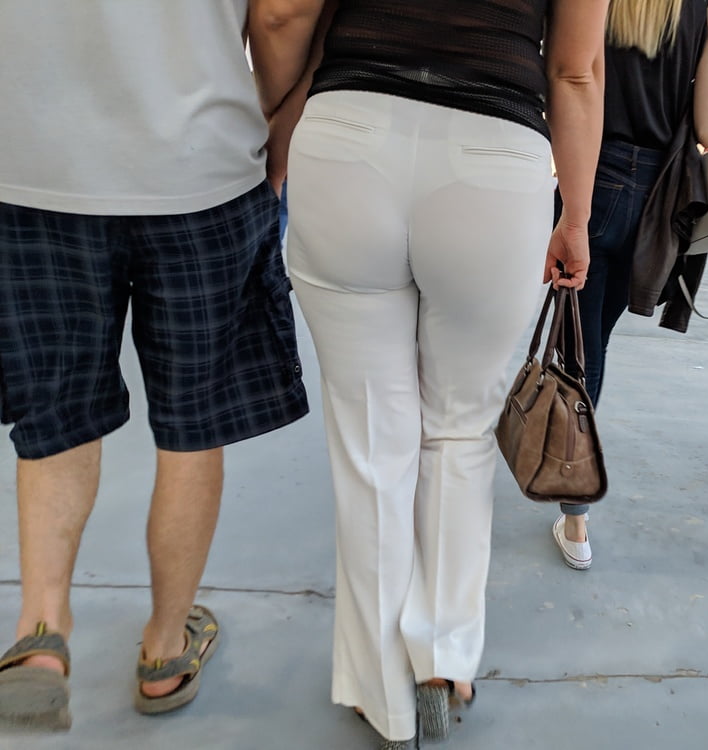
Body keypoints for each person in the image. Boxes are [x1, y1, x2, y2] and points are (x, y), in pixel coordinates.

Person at [264, 1, 610, 747]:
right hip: (497, 155)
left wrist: (268, 119)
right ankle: (442, 662)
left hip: (349, 133)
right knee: (461, 432)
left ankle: (380, 692)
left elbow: (283, 13)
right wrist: (576, 218)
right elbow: (576, 70)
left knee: (370, 443)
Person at [0, 0, 313, 730]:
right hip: (199, 159)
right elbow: (284, 12)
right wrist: (272, 117)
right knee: (192, 425)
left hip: (32, 159)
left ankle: (39, 633)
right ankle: (166, 650)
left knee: (56, 413)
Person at [550, 0, 708, 571]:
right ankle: (574, 506)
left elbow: (569, 74)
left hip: (590, 177)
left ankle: (575, 507)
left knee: (581, 348)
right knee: (594, 343)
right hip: (658, 198)